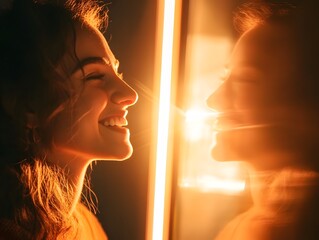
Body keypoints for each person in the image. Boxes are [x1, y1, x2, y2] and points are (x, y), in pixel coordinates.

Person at [0, 0, 138, 239]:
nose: (130, 95)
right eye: (95, 76)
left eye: (117, 72)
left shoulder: (84, 224)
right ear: (29, 105)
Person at [207, 1, 319, 239]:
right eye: (225, 77)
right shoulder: (244, 227)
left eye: (244, 80)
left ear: (305, 109)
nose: (214, 100)